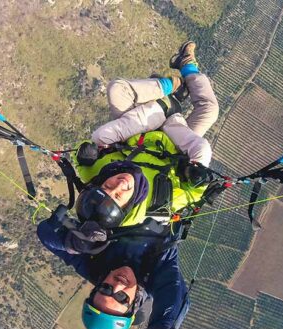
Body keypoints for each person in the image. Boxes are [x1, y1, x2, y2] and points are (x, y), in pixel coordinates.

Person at [72, 41, 219, 229]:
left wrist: (86, 154)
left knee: (117, 90)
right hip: (175, 143)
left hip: (139, 130)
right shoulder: (159, 204)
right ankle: (186, 65)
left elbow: (82, 161)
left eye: (107, 187)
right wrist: (197, 177)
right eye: (118, 196)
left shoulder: (96, 175)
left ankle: (171, 88)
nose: (118, 185)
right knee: (210, 110)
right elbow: (193, 195)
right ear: (127, 207)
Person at [36, 204, 188, 329]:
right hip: (169, 201)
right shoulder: (155, 277)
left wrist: (73, 242)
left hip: (130, 196)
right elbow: (172, 294)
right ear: (135, 304)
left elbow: (46, 235)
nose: (117, 285)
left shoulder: (96, 268)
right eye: (121, 297)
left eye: (106, 289)